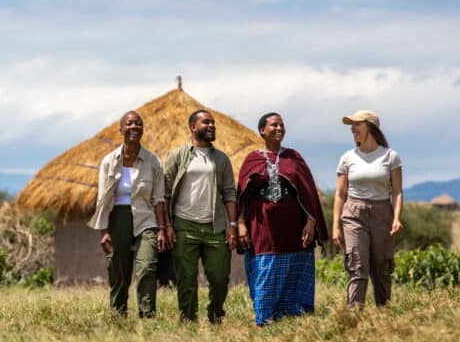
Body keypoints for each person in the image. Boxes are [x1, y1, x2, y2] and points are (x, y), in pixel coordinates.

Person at [237, 112, 327, 326]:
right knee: (265, 267)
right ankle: (265, 318)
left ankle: (296, 315)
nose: (279, 128)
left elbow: (308, 193)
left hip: (294, 225)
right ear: (262, 130)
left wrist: (311, 222)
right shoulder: (252, 159)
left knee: (296, 267)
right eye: (274, 125)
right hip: (263, 226)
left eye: (282, 125)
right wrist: (240, 224)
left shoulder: (294, 157)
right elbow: (242, 195)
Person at [88, 110, 168, 318]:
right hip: (117, 219)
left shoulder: (153, 162)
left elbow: (159, 199)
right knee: (118, 271)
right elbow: (102, 200)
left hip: (145, 219)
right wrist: (104, 231)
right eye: (130, 124)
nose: (134, 127)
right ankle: (118, 315)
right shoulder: (109, 161)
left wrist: (162, 230)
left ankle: (147, 316)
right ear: (121, 129)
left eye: (138, 124)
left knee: (147, 267)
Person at [163, 109, 238, 323]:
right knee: (186, 279)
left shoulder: (222, 159)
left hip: (215, 226)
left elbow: (230, 193)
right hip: (184, 224)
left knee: (220, 277)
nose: (212, 125)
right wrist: (167, 224)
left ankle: (215, 314)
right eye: (206, 122)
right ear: (193, 127)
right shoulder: (177, 155)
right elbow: (166, 193)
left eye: (213, 122)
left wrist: (232, 224)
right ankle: (188, 320)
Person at [332, 110, 403, 307]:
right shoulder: (347, 157)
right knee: (357, 264)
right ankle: (354, 316)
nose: (352, 129)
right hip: (353, 213)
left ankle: (383, 314)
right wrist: (335, 226)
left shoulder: (391, 157)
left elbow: (397, 192)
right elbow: (340, 194)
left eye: (356, 124)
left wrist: (396, 218)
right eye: (351, 125)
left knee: (382, 267)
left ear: (370, 127)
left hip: (382, 213)